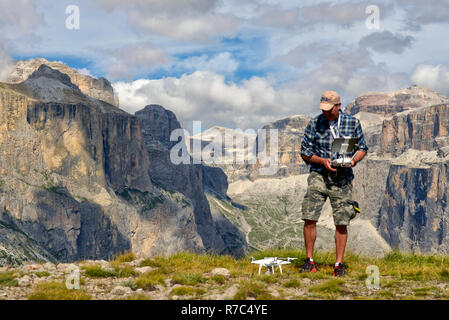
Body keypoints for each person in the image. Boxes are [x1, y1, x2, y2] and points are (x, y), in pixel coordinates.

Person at [299, 90, 368, 276]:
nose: (325, 113)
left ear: (338, 106)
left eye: (329, 109)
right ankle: (309, 260)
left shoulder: (352, 123)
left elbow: (362, 148)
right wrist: (322, 161)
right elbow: (305, 151)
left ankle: (338, 264)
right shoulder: (314, 123)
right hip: (318, 175)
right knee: (309, 216)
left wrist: (353, 161)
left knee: (342, 220)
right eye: (323, 109)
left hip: (342, 177)